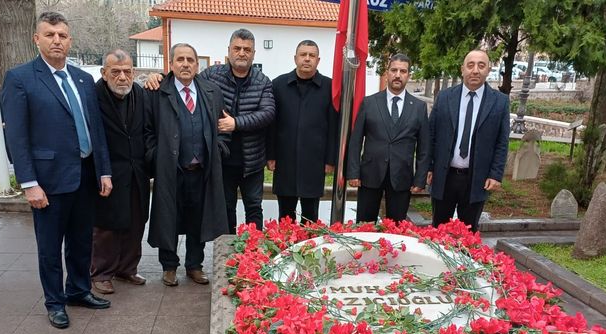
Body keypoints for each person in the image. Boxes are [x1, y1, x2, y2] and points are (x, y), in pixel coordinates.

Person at [1, 11, 113, 329]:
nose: (56, 41)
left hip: (85, 176)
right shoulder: (21, 79)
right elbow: (17, 137)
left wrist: (103, 171)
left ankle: (78, 290)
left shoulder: (83, 79)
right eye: (49, 35)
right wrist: (28, 183)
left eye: (62, 35)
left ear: (70, 40)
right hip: (48, 182)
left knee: (81, 242)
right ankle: (55, 302)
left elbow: (96, 130)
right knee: (50, 246)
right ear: (37, 39)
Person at [146, 28, 275, 234]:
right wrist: (159, 77)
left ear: (253, 53)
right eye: (237, 48)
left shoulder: (263, 81)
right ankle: (228, 256)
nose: (242, 53)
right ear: (229, 50)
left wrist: (236, 123)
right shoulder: (212, 75)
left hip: (252, 160)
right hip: (221, 160)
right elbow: (184, 78)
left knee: (253, 208)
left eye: (247, 49)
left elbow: (268, 113)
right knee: (225, 208)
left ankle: (253, 254)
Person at [143, 43, 229, 287]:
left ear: (197, 64)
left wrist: (219, 148)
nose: (185, 64)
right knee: (168, 218)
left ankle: (195, 265)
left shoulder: (211, 91)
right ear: (171, 63)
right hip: (171, 169)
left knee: (197, 219)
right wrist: (156, 155)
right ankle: (169, 266)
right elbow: (147, 130)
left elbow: (223, 126)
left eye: (190, 60)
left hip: (202, 170)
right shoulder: (157, 91)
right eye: (180, 59)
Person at [426, 49, 510, 231]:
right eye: (470, 65)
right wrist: (429, 167)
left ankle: (464, 260)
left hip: (476, 179)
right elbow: (431, 134)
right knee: (439, 231)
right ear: (462, 69)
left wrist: (495, 174)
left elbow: (502, 142)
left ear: (488, 70)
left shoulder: (500, 102)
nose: (475, 70)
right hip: (444, 176)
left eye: (481, 65)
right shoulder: (445, 97)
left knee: (468, 235)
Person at [90, 49, 150, 294]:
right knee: (107, 226)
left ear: (134, 72)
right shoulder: (93, 95)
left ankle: (127, 268)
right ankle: (101, 273)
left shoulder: (140, 93)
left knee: (136, 221)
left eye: (127, 72)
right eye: (116, 72)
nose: (122, 77)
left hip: (137, 171)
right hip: (107, 171)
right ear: (105, 73)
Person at [347, 54, 430, 223]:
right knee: (365, 226)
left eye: (403, 71)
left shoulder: (419, 108)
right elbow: (356, 141)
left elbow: (424, 147)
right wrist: (353, 172)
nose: (398, 75)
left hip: (402, 177)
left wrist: (420, 178)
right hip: (370, 175)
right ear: (387, 72)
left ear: (409, 75)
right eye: (394, 70)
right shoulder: (369, 103)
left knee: (397, 228)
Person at [267, 40, 338, 224]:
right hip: (285, 160)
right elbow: (272, 124)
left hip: (315, 162)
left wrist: (330, 160)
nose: (307, 59)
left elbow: (333, 126)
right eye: (303, 55)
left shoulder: (330, 88)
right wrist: (271, 155)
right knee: (285, 217)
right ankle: (286, 250)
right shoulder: (278, 85)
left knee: (310, 216)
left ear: (318, 60)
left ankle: (308, 249)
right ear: (295, 58)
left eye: (312, 55)